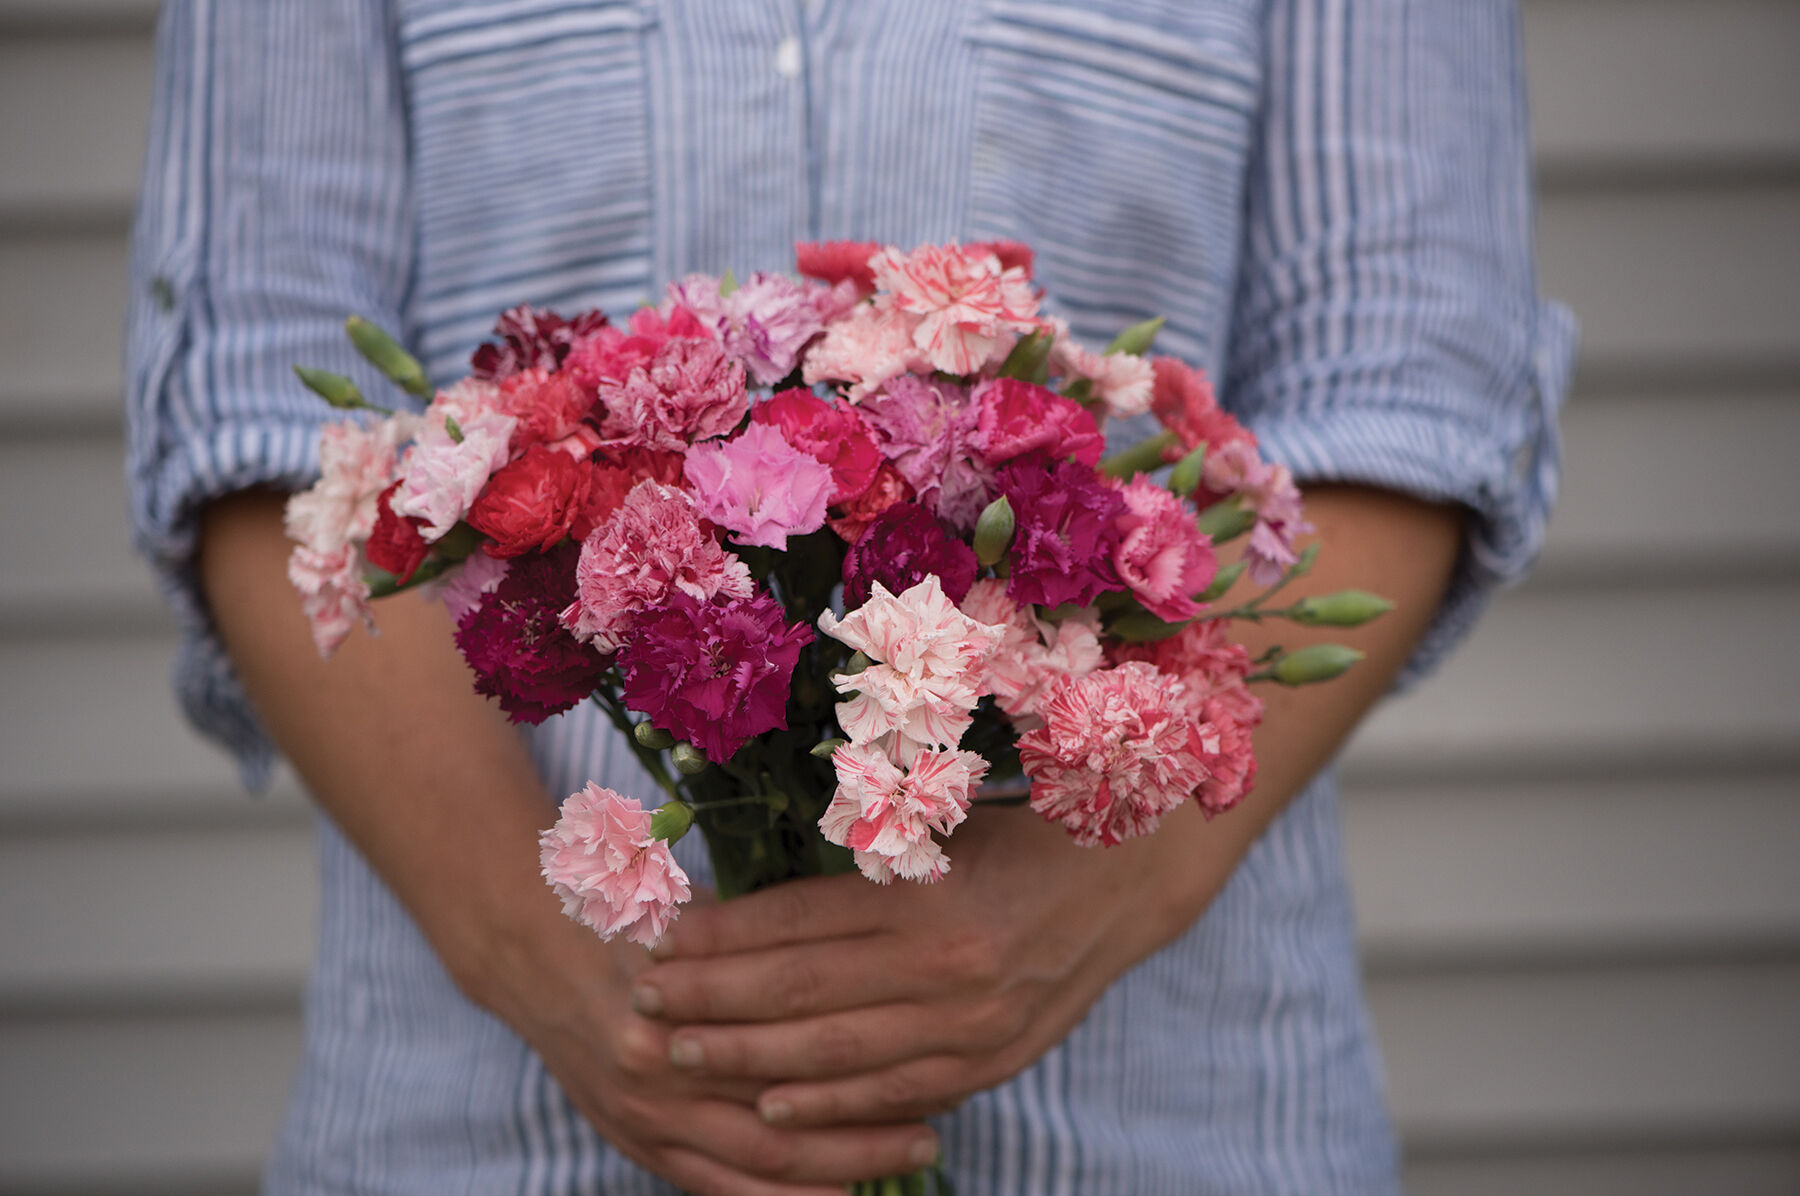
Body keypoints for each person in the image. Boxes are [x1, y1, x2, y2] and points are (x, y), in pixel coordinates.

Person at [126, 1, 1573, 1192]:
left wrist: (1091, 884)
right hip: (478, 1126)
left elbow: (1403, 400)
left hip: (1162, 1121)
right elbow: (262, 424)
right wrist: (554, 953)